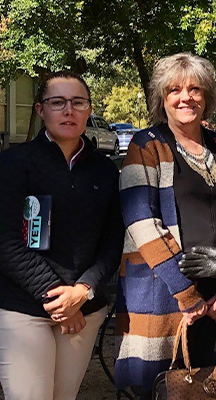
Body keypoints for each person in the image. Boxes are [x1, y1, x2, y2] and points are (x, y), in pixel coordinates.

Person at [116, 53, 216, 398]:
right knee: (164, 386)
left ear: (207, 97)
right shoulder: (146, 145)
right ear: (161, 99)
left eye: (195, 89)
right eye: (174, 90)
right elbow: (141, 223)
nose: (186, 97)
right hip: (166, 292)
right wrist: (188, 294)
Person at [0, 71, 123, 400]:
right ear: (41, 110)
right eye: (58, 102)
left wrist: (81, 293)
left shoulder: (106, 171)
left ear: (88, 109)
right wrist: (58, 297)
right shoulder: (13, 164)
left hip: (84, 309)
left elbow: (113, 242)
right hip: (23, 309)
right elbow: (8, 243)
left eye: (78, 102)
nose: (68, 110)